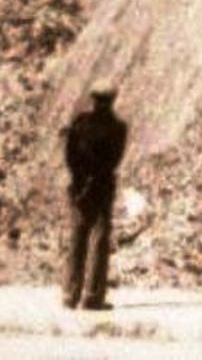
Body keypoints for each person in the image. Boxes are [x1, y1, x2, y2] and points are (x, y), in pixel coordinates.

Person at [63, 81, 128, 311]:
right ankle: (92, 297)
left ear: (93, 98)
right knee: (99, 239)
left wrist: (80, 181)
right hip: (101, 186)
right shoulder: (118, 127)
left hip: (78, 186)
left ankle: (70, 294)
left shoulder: (79, 122)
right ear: (112, 100)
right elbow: (113, 161)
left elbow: (69, 156)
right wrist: (93, 181)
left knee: (77, 238)